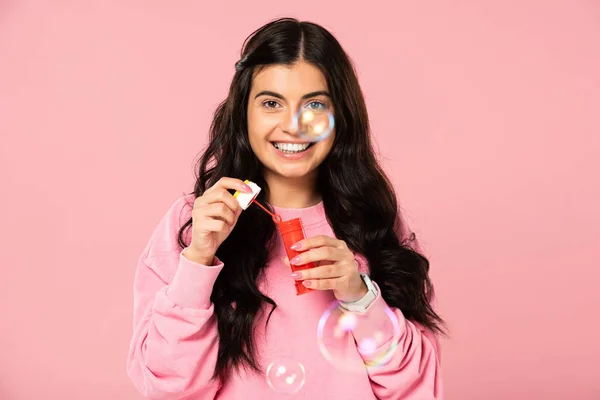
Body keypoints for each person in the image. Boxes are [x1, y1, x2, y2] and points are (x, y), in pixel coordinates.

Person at [127, 17, 446, 399]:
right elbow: (167, 387)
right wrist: (198, 259)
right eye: (271, 103)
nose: (294, 125)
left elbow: (415, 386)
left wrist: (359, 296)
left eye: (313, 104)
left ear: (340, 117)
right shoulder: (193, 223)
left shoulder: (372, 222)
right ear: (243, 113)